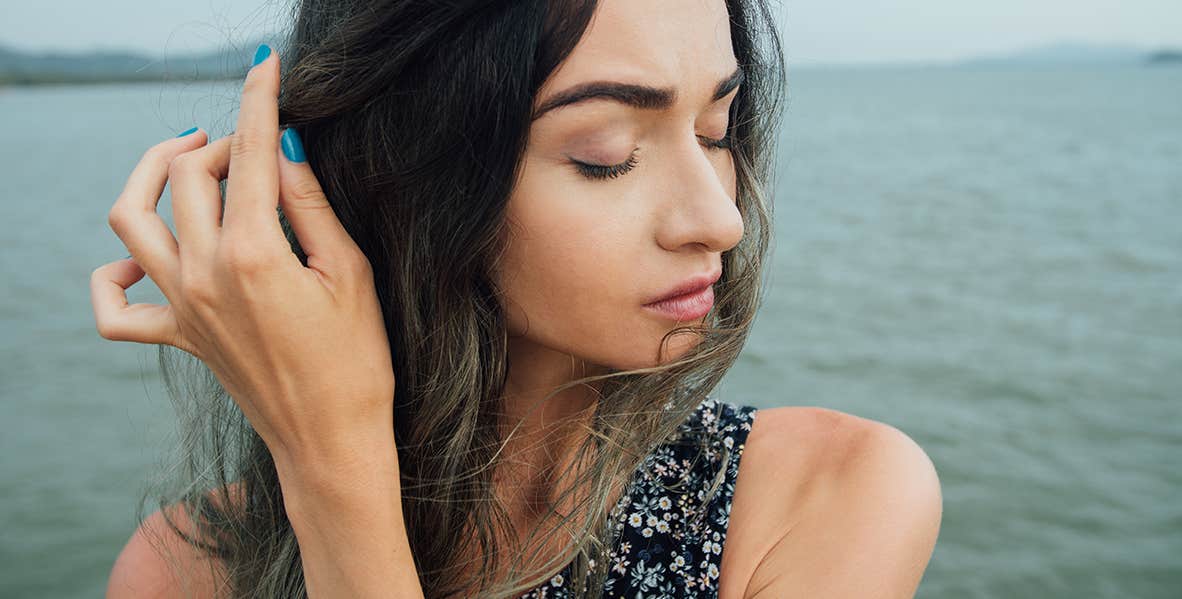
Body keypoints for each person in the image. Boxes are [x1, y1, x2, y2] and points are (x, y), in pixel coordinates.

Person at [92, 0, 942, 597]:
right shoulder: (185, 573)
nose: (719, 219)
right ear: (407, 179)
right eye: (606, 155)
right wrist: (331, 461)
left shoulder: (827, 500)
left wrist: (335, 477)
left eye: (715, 131)